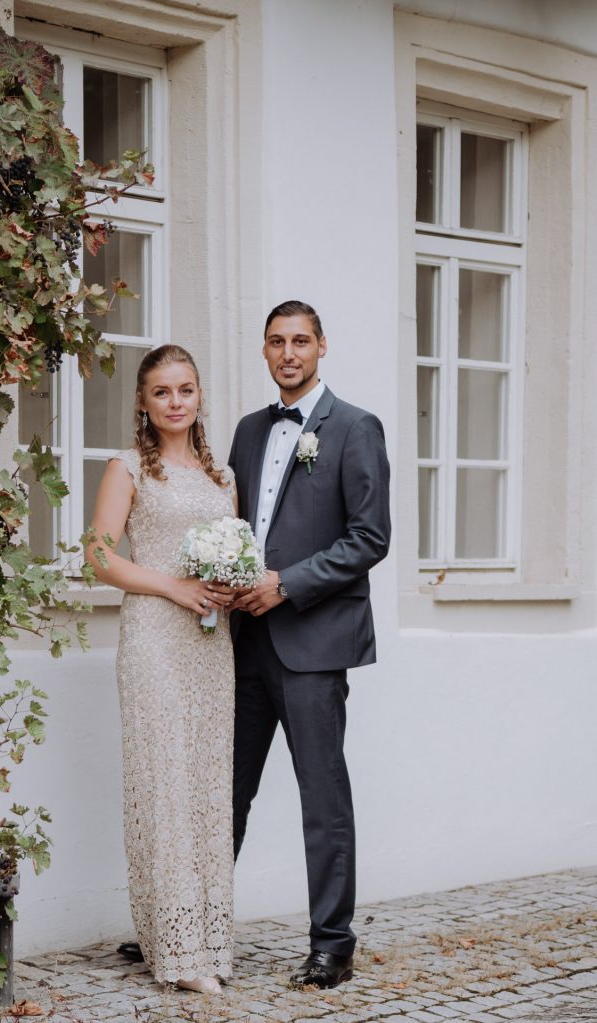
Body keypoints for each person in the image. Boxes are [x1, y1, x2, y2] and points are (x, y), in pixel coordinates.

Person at [228, 299, 391, 990]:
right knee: (223, 794)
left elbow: (369, 537)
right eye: (275, 341)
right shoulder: (245, 431)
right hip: (242, 641)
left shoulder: (354, 428)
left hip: (314, 643)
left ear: (321, 346)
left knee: (322, 799)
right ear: (264, 351)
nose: (288, 352)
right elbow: (231, 524)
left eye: (300, 340)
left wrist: (287, 584)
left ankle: (333, 944)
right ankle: (188, 928)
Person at [87, 344, 236, 994]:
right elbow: (98, 555)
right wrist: (174, 587)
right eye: (162, 391)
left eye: (185, 389)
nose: (175, 401)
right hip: (154, 639)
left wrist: (226, 583)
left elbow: (225, 556)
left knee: (205, 788)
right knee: (165, 786)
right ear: (144, 402)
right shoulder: (128, 469)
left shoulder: (221, 476)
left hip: (211, 643)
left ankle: (208, 941)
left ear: (199, 396)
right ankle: (175, 950)